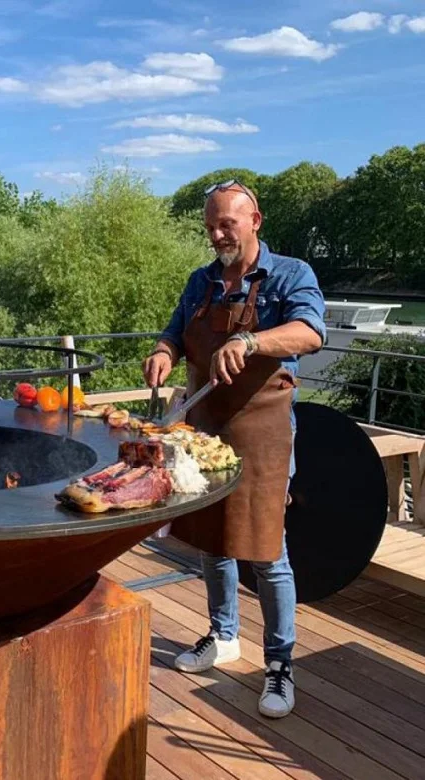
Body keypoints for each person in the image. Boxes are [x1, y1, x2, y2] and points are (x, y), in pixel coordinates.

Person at [142, 180, 326, 719]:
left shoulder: (291, 274)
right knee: (211, 541)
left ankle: (280, 663)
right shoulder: (201, 282)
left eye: (227, 223)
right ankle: (223, 637)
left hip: (264, 432)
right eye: (210, 226)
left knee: (267, 552)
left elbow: (309, 332)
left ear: (255, 221)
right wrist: (162, 351)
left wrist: (250, 340)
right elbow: (175, 333)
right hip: (204, 427)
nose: (218, 234)